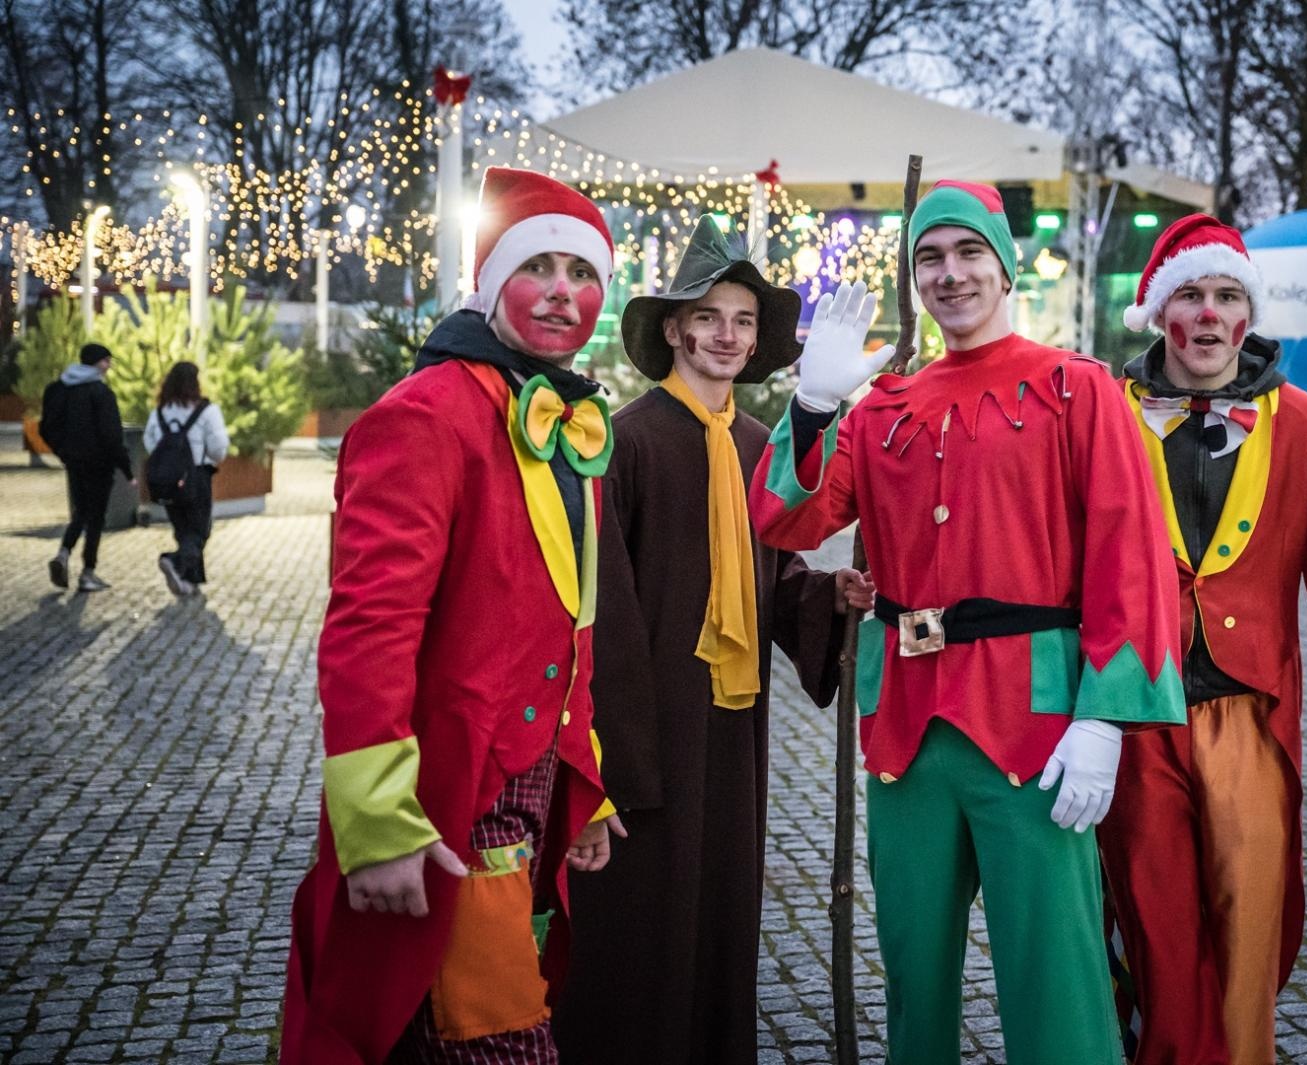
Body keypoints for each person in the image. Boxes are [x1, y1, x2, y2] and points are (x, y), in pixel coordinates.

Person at [750, 179, 1185, 1065]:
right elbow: (784, 521)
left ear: (1004, 264)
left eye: (968, 253)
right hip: (906, 729)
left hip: (1036, 728)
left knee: (1054, 972)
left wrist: (1104, 716)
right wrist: (813, 406)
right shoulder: (882, 409)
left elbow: (1130, 557)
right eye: (930, 259)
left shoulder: (1080, 388)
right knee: (914, 972)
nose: (949, 275)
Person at [281, 167, 624, 1064]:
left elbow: (569, 624)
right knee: (493, 1039)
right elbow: (367, 629)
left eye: (583, 273)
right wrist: (381, 824)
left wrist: (582, 784)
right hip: (442, 803)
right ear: (488, 281)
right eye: (538, 266)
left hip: (523, 793)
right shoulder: (426, 416)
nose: (562, 291)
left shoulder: (551, 421)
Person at [1096, 213, 1307, 1065]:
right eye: (1190, 295)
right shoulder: (1102, 414)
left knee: (1249, 931)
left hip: (1253, 715)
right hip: (1136, 712)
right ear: (1159, 313)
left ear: (1250, 314)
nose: (1208, 315)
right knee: (1154, 928)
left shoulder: (1306, 424)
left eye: (1227, 296)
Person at [554, 216, 869, 1063]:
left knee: (721, 903)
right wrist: (612, 751)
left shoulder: (761, 446)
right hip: (647, 723)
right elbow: (602, 603)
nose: (726, 336)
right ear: (674, 329)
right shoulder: (626, 441)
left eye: (742, 321)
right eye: (709, 318)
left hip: (731, 725)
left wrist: (826, 596)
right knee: (640, 917)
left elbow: (774, 581)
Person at [38, 342, 134, 593]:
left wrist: (63, 452)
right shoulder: (100, 393)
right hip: (100, 465)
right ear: (97, 363)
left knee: (80, 511)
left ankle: (63, 553)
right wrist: (127, 470)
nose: (109, 365)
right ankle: (88, 572)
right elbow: (112, 436)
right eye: (106, 360)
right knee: (95, 517)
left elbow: (46, 427)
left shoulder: (60, 389)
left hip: (74, 462)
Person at [143, 361, 229, 597]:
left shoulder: (160, 411)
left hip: (168, 480)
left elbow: (150, 441)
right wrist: (208, 457)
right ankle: (174, 561)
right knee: (200, 530)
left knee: (183, 529)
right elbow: (218, 447)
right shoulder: (206, 410)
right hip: (197, 476)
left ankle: (190, 581)